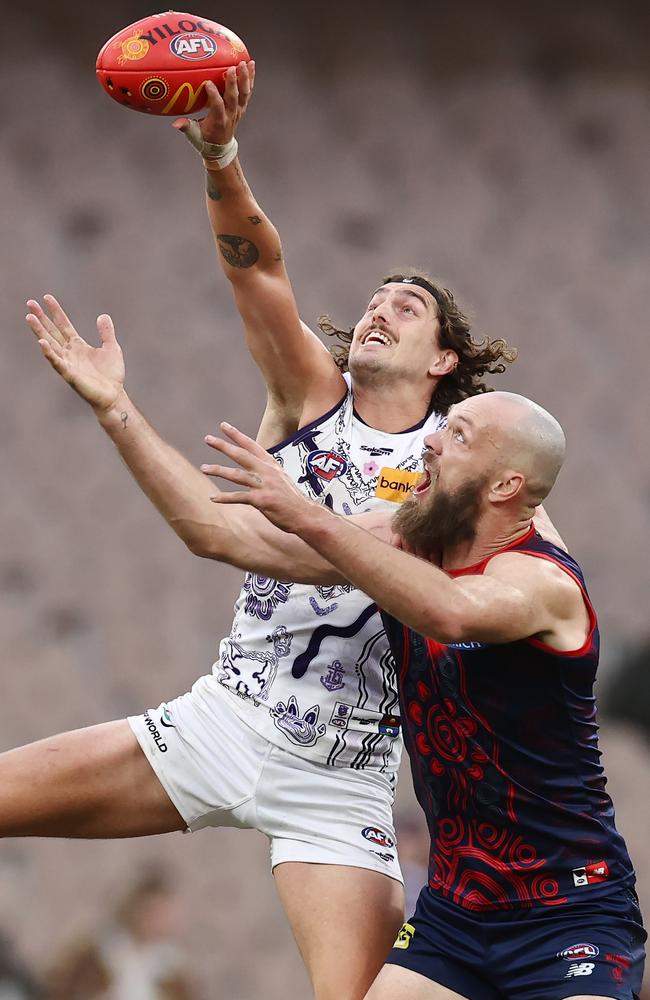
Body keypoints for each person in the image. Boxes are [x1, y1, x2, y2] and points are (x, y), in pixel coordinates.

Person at [21, 80, 521, 999]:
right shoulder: (310, 399)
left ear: (445, 359)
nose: (380, 309)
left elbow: (244, 542)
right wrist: (220, 158)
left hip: (344, 773)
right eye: (375, 299)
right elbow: (257, 270)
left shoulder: (455, 472)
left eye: (407, 307)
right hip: (224, 719)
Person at [200, 392, 646, 1000]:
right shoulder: (415, 541)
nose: (430, 440)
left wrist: (305, 513)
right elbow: (222, 534)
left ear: (504, 484)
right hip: (455, 914)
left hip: (570, 911)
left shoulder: (543, 580)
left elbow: (452, 613)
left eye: (458, 435)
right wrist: (115, 410)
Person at [46, 869, 193, 1000]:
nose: (159, 920)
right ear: (135, 908)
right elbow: (57, 989)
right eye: (153, 911)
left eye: (164, 914)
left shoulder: (173, 971)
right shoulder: (94, 954)